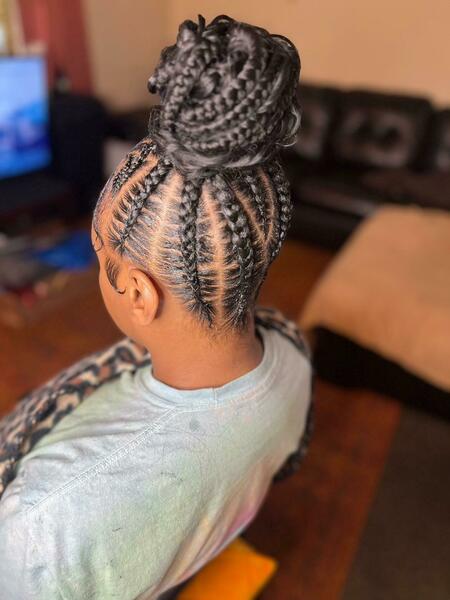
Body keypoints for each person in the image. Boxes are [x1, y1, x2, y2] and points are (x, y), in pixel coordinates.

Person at [0, 15, 312, 599]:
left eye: (102, 259)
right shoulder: (296, 357)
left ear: (140, 294)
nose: (100, 271)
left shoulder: (40, 523)